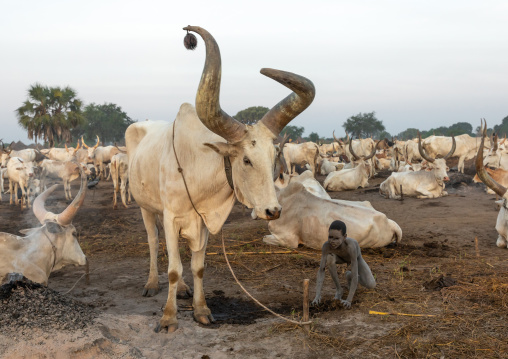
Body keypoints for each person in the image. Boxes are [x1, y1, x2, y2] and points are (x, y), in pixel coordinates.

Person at [311, 220, 376, 309]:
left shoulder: (350, 246)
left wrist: (349, 300)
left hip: (356, 259)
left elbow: (355, 271)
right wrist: (317, 295)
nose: (332, 241)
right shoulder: (326, 246)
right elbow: (321, 270)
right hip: (339, 258)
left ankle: (348, 275)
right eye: (330, 237)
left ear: (344, 237)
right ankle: (339, 290)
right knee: (329, 258)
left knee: (371, 285)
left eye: (336, 238)